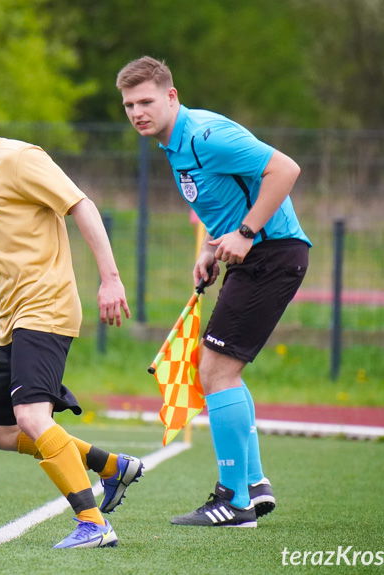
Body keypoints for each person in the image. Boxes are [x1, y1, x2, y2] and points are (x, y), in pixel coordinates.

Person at [0, 87, 144, 549]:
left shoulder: (21, 159)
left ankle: (94, 525)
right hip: (13, 315)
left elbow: (82, 206)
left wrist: (111, 278)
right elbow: (13, 254)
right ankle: (111, 466)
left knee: (31, 416)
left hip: (47, 307)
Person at [116, 57, 311, 527]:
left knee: (217, 372)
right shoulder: (173, 143)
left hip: (271, 254)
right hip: (257, 258)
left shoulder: (206, 136)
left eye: (146, 101)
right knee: (221, 370)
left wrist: (244, 232)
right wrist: (210, 246)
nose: (137, 111)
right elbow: (223, 196)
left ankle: (235, 501)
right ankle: (254, 484)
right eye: (128, 104)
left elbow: (285, 170)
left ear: (171, 96)